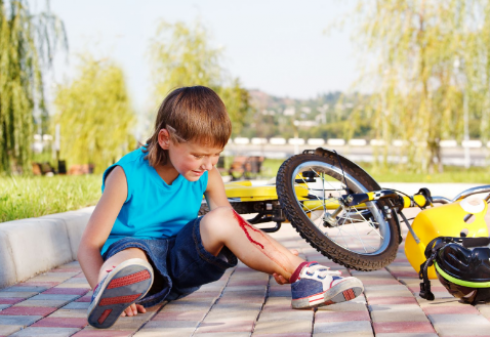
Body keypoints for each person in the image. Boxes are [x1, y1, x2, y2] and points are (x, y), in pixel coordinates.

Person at [78, 86, 364, 329]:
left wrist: (276, 258)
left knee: (223, 217)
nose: (209, 164)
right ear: (165, 139)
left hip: (181, 261)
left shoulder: (206, 174)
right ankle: (113, 288)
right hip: (141, 263)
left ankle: (302, 274)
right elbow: (89, 247)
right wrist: (96, 288)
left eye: (216, 155)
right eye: (199, 155)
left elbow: (233, 228)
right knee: (132, 256)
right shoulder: (126, 175)